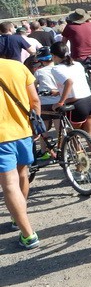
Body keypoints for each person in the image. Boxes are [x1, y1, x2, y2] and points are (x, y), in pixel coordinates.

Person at [0, 57, 41, 249]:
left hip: (2, 137)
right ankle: (18, 217)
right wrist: (35, 126)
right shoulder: (17, 66)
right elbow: (35, 100)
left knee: (9, 184)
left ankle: (28, 234)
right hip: (23, 131)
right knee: (22, 174)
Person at [50, 41, 91, 142]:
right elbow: (76, 84)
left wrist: (60, 102)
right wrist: (59, 92)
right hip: (89, 100)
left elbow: (69, 82)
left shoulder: (56, 69)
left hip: (76, 105)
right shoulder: (78, 64)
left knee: (72, 136)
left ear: (54, 56)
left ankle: (77, 151)